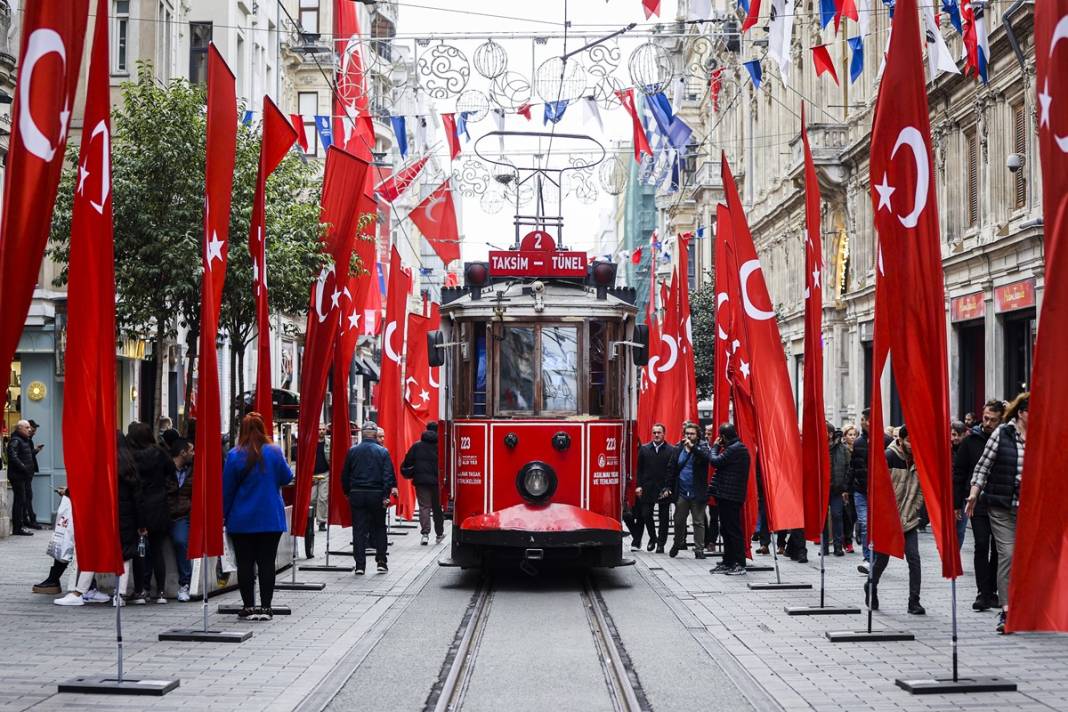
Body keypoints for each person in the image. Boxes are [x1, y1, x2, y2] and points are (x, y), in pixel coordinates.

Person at [56, 433, 146, 606]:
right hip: (127, 517)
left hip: (102, 515)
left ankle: (79, 592)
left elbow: (88, 489)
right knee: (124, 555)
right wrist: (141, 524)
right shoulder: (129, 466)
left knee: (92, 551)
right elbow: (138, 499)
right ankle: (119, 595)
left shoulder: (101, 464)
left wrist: (69, 492)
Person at [966, 392, 1028, 634]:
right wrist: (973, 493)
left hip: (1029, 509)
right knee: (1008, 554)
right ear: (1022, 413)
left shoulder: (1042, 433)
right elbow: (982, 466)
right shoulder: (1003, 434)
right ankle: (1007, 611)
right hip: (1001, 506)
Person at [223, 412, 294, 621]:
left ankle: (248, 606)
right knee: (266, 563)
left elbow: (227, 489)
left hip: (242, 519)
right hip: (270, 518)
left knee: (245, 563)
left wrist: (224, 516)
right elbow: (287, 477)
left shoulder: (234, 455)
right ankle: (266, 607)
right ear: (263, 428)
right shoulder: (274, 451)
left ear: (242, 431)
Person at [867, 425, 926, 615]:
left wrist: (915, 511)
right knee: (882, 559)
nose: (912, 445)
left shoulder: (919, 459)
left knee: (914, 559)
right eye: (909, 441)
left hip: (909, 518)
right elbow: (877, 488)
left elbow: (921, 491)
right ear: (900, 440)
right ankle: (871, 585)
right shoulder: (889, 456)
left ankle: (914, 601)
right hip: (888, 519)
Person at [955, 399, 1004, 612]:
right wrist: (957, 502)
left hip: (1000, 500)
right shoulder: (970, 440)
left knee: (999, 549)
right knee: (981, 544)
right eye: (985, 418)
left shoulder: (1006, 438)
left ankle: (992, 590)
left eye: (993, 419)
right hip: (976, 502)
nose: (988, 423)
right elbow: (959, 473)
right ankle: (982, 592)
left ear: (1001, 418)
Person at [341, 421, 398, 575]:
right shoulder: (383, 452)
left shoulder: (352, 451)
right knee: (379, 527)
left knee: (359, 530)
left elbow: (345, 475)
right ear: (375, 435)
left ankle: (360, 565)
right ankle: (381, 561)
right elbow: (387, 476)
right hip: (377, 494)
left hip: (357, 494)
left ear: (362, 434)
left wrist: (348, 492)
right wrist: (386, 495)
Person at [127, 421, 175, 603]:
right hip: (159, 505)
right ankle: (161, 592)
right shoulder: (160, 453)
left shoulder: (131, 456)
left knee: (139, 550)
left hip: (139, 506)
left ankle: (140, 590)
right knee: (157, 550)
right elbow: (171, 473)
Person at [707, 423, 751, 575]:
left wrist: (715, 447)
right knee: (726, 530)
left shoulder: (735, 449)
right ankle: (728, 561)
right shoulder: (736, 448)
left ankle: (739, 563)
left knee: (732, 530)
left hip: (730, 496)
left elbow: (714, 461)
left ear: (723, 437)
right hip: (726, 495)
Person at [666, 422, 710, 559]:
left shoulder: (703, 447)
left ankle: (699, 549)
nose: (689, 436)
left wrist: (693, 448)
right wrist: (667, 486)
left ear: (697, 436)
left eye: (692, 434)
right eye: (687, 433)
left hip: (697, 491)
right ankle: (677, 543)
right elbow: (671, 468)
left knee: (698, 521)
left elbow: (707, 459)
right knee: (679, 520)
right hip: (682, 491)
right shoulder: (678, 448)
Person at [401, 422, 444, 546]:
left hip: (421, 482)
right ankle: (439, 534)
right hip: (437, 482)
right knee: (437, 508)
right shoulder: (440, 445)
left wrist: (413, 472)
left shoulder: (417, 446)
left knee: (424, 507)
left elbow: (407, 462)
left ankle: (425, 534)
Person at [635, 424, 675, 554]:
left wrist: (669, 487)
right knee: (646, 514)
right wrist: (639, 485)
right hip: (647, 487)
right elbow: (639, 470)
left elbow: (672, 471)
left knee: (664, 517)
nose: (656, 435)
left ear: (664, 434)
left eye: (659, 432)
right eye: (654, 433)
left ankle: (661, 544)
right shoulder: (644, 449)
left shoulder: (671, 450)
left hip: (664, 488)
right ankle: (653, 538)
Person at [166, 438, 195, 602]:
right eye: (191, 450)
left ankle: (185, 583)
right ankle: (145, 587)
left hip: (181, 514)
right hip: (163, 513)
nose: (193, 453)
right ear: (182, 453)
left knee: (180, 541)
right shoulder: (165, 469)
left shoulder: (192, 470)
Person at [6, 420, 35, 536]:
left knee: (22, 500)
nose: (30, 430)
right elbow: (12, 455)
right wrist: (23, 467)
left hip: (22, 475)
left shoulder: (24, 440)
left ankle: (19, 526)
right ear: (19, 429)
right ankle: (17, 528)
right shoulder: (16, 440)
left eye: (29, 428)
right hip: (17, 476)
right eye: (27, 427)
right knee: (20, 501)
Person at [827, 423, 850, 556]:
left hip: (837, 489)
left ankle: (837, 546)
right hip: (823, 490)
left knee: (837, 515)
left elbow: (848, 467)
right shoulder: (818, 447)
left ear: (830, 434)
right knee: (823, 519)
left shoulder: (842, 448)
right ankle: (824, 546)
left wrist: (844, 487)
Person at [840, 424, 859, 553]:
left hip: (857, 486)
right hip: (847, 487)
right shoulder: (842, 450)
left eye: (854, 435)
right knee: (848, 516)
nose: (852, 437)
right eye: (850, 435)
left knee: (856, 515)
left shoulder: (859, 448)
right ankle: (847, 541)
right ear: (845, 436)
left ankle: (850, 537)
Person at [703, 423, 721, 554]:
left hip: (718, 487)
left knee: (715, 516)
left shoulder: (720, 449)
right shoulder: (703, 447)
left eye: (709, 433)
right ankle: (708, 540)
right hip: (705, 486)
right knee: (704, 515)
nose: (707, 436)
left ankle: (712, 541)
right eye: (706, 433)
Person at [24, 419, 44, 529]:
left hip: (28, 471)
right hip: (26, 472)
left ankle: (27, 519)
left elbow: (27, 456)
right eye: (33, 429)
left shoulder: (28, 440)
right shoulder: (25, 440)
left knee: (27, 496)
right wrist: (35, 450)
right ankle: (30, 519)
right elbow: (26, 456)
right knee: (27, 496)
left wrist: (35, 450)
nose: (35, 431)